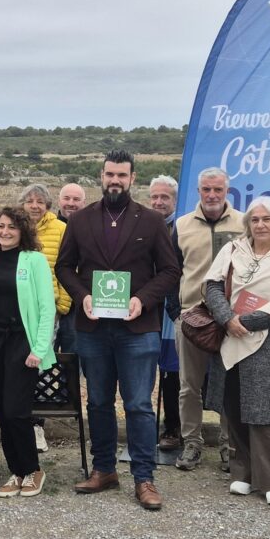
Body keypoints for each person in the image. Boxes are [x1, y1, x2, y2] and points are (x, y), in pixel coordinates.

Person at [56, 150, 181, 510]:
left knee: (139, 405)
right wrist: (82, 297)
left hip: (137, 327)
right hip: (93, 328)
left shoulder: (151, 221)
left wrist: (143, 299)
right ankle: (104, 469)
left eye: (121, 175)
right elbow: (64, 267)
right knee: (97, 401)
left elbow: (170, 271)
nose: (115, 181)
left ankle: (144, 477)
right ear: (101, 176)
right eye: (110, 174)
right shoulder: (81, 220)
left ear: (132, 178)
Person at [202, 197, 270, 505]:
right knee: (234, 408)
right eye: (255, 219)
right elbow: (213, 286)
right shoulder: (233, 250)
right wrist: (227, 318)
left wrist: (245, 321)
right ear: (247, 223)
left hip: (269, 341)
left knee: (263, 412)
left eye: (267, 219)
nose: (260, 225)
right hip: (230, 338)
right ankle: (243, 474)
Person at [0, 207, 55, 498]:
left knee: (16, 411)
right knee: (2, 412)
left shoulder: (34, 260)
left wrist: (39, 348)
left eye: (11, 227)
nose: (5, 232)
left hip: (23, 343)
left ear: (23, 231)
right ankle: (17, 471)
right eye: (0, 226)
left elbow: (47, 307)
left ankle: (33, 469)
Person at [173, 168, 243, 472]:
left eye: (217, 189)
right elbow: (171, 269)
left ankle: (229, 446)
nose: (212, 195)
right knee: (189, 385)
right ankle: (192, 443)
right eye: (206, 189)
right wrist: (175, 311)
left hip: (232, 319)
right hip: (192, 317)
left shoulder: (244, 223)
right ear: (198, 191)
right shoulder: (182, 225)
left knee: (230, 384)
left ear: (227, 191)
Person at [20, 183, 71, 453]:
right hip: (19, 310)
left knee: (39, 365)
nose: (35, 206)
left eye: (40, 201)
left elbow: (68, 268)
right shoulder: (14, 229)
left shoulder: (60, 229)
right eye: (30, 201)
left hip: (48, 310)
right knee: (22, 366)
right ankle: (23, 424)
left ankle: (37, 426)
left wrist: (62, 303)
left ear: (48, 206)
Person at [147, 175, 182, 452]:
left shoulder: (182, 228)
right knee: (143, 369)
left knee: (171, 372)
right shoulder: (142, 224)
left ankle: (173, 428)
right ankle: (143, 428)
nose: (159, 202)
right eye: (155, 197)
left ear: (175, 200)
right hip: (145, 305)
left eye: (165, 197)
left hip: (173, 305)